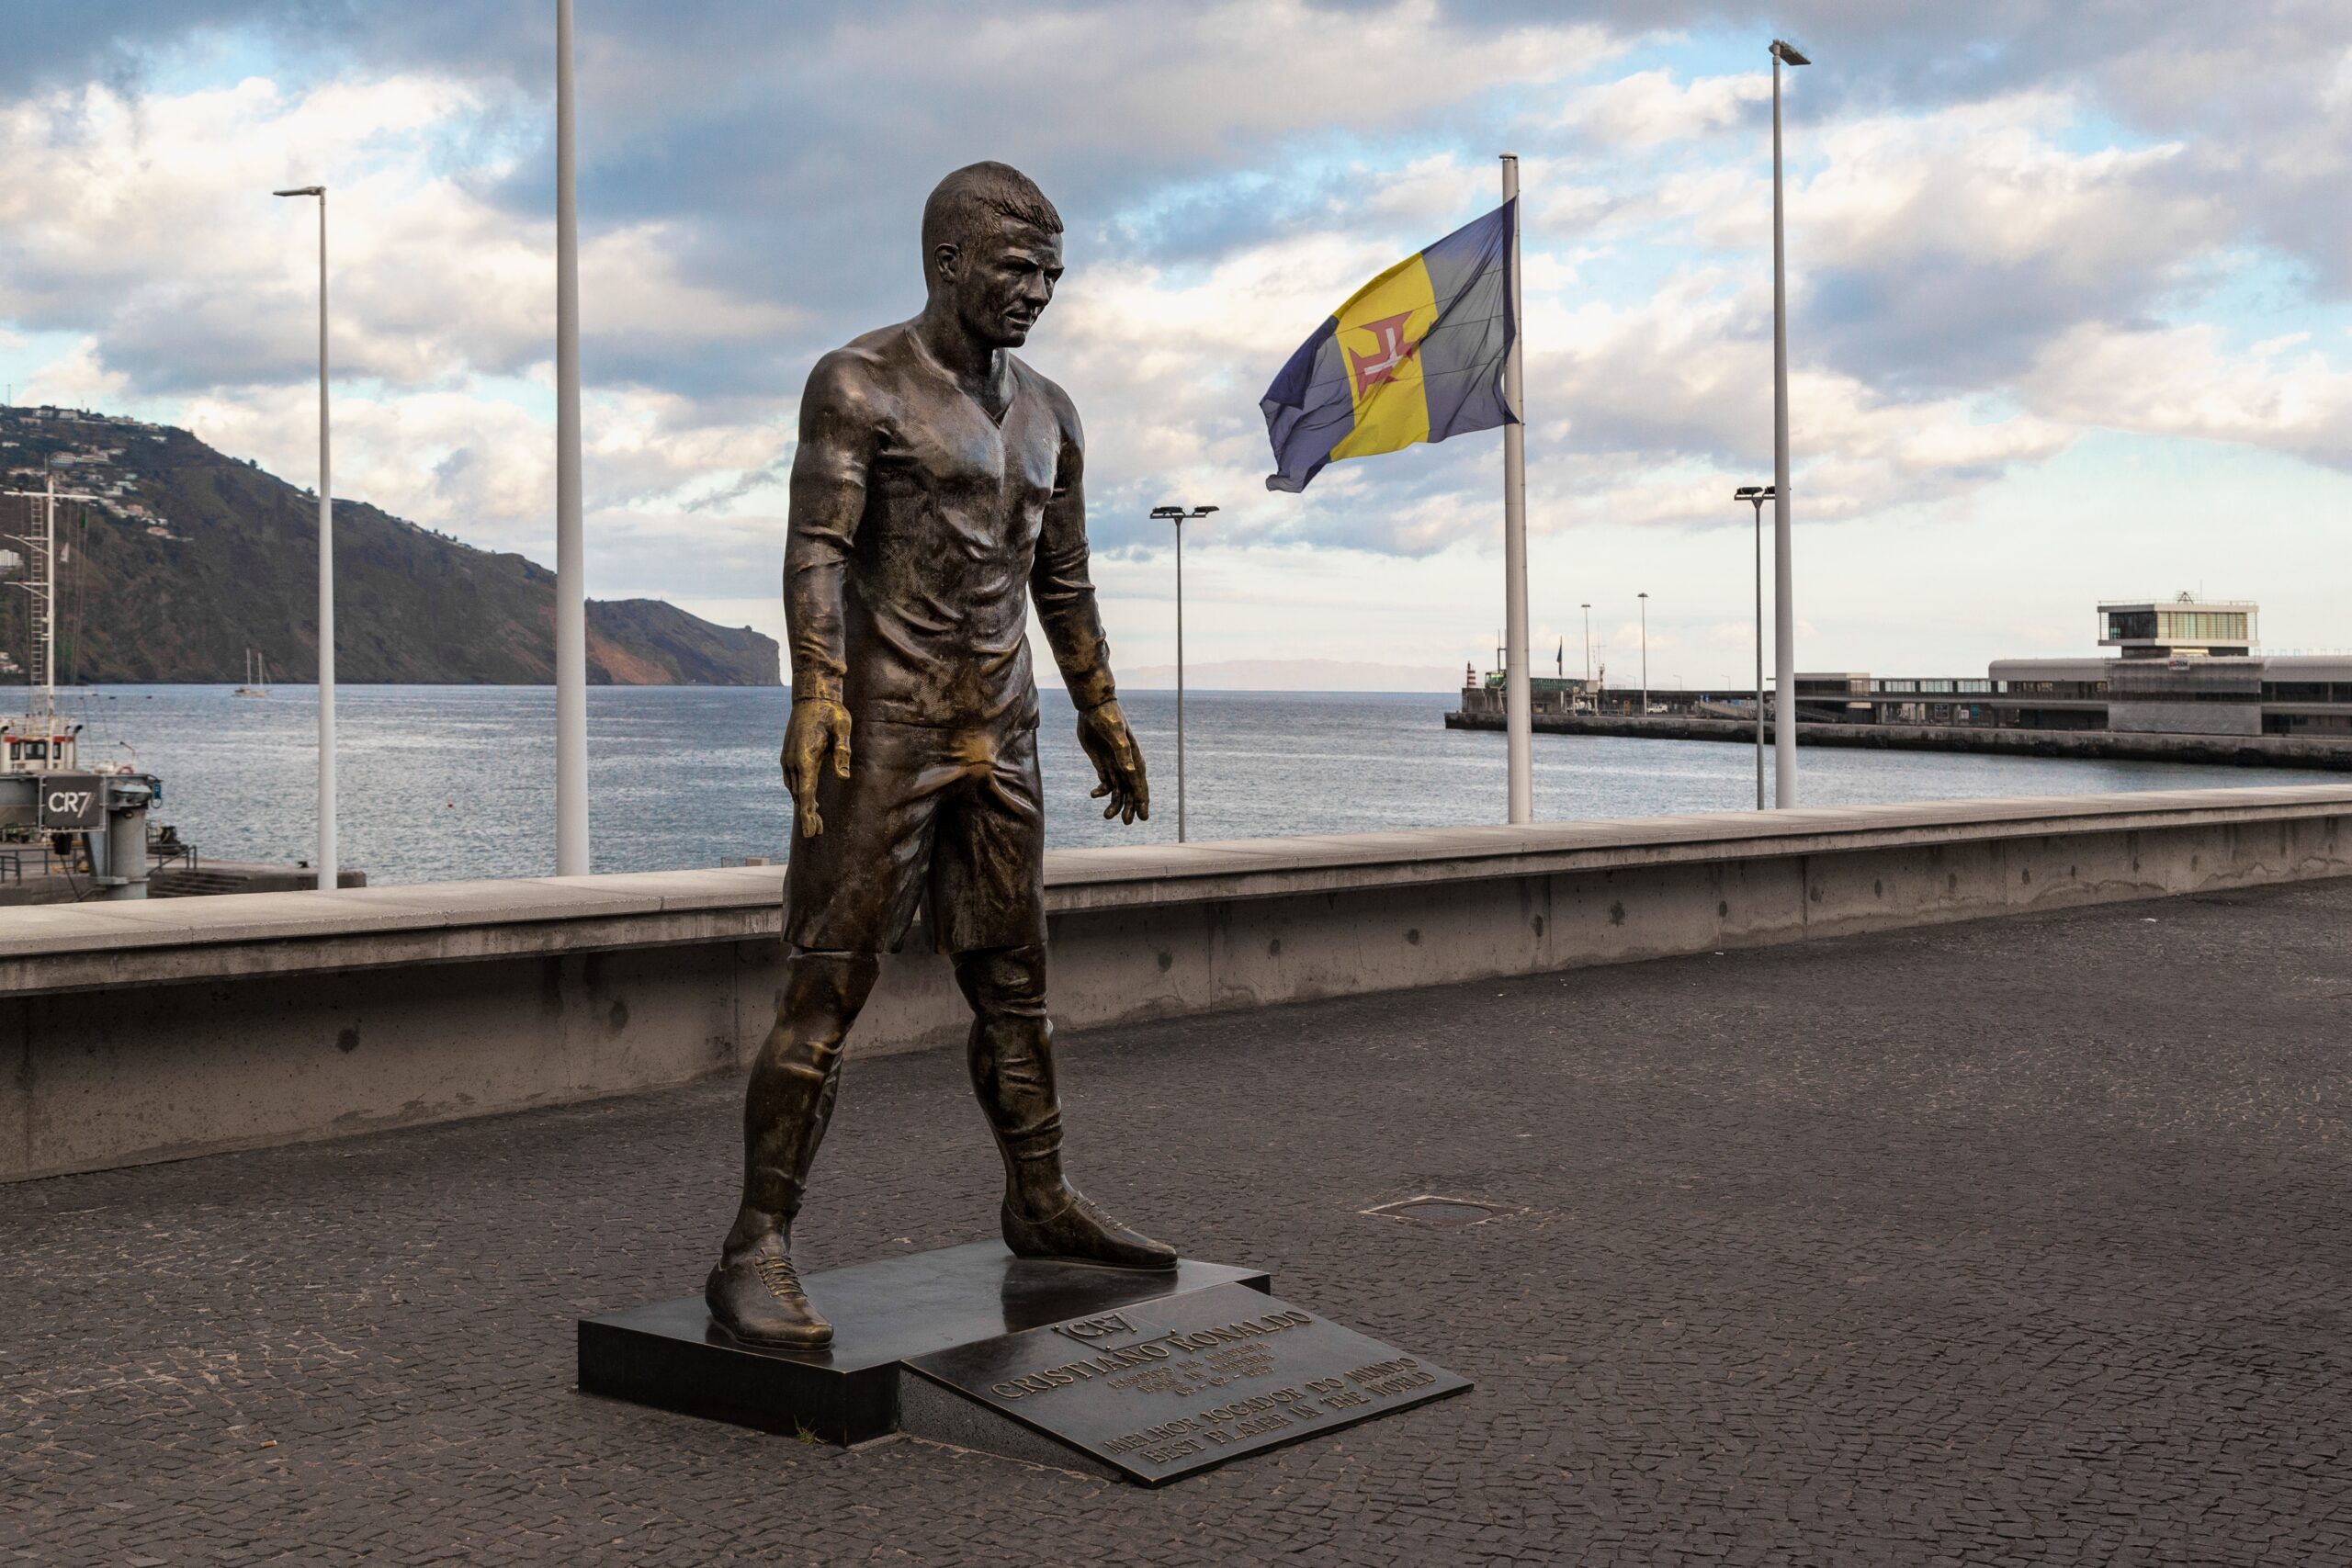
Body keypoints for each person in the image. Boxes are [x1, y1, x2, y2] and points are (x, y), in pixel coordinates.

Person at [706, 163, 1175, 1348]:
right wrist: (815, 691)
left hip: (1001, 729)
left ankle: (1039, 1195)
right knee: (826, 986)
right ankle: (754, 1242)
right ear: (949, 264)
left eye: (1051, 276)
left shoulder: (1055, 415)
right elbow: (815, 548)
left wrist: (1100, 710)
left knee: (1017, 987)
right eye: (1018, 271)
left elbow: (1061, 581)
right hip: (887, 730)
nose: (1037, 294)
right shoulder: (858, 387)